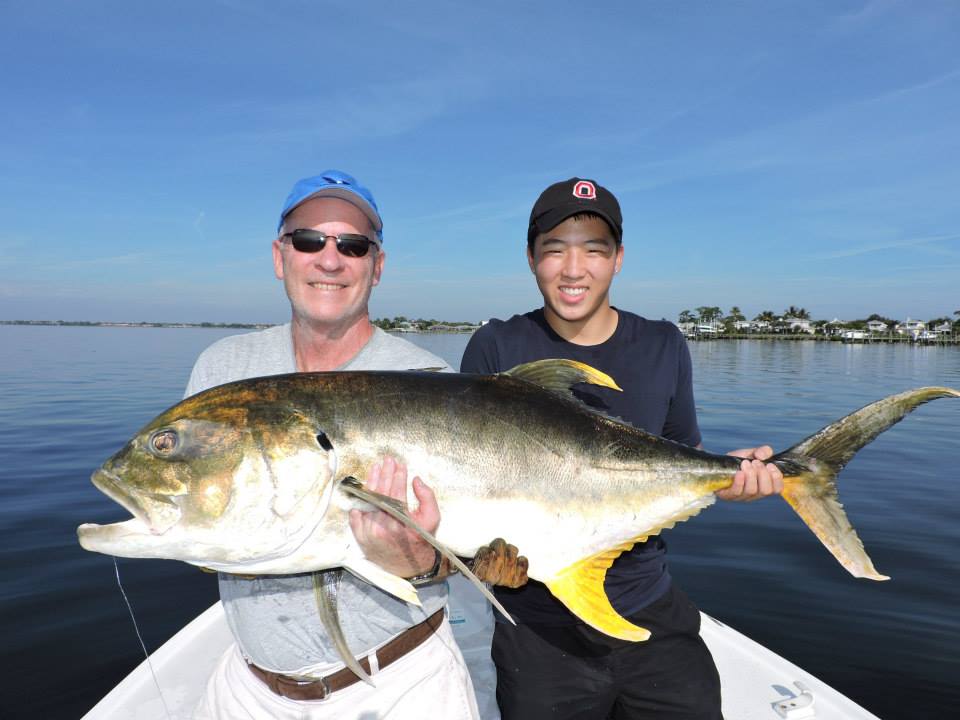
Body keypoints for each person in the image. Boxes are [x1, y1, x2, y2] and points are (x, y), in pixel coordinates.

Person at [186, 170, 522, 719]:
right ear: (280, 255)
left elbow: (458, 552)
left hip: (399, 681)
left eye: (353, 245)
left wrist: (421, 564)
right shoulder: (223, 371)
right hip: (251, 685)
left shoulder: (427, 377)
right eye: (308, 240)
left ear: (377, 265)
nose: (329, 258)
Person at [460, 177, 784, 720]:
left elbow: (682, 456)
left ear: (618, 259)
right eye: (554, 249)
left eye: (594, 249)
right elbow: (470, 476)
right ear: (531, 258)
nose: (573, 268)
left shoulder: (663, 343)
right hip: (536, 623)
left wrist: (730, 482)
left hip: (649, 607)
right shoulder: (496, 346)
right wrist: (478, 560)